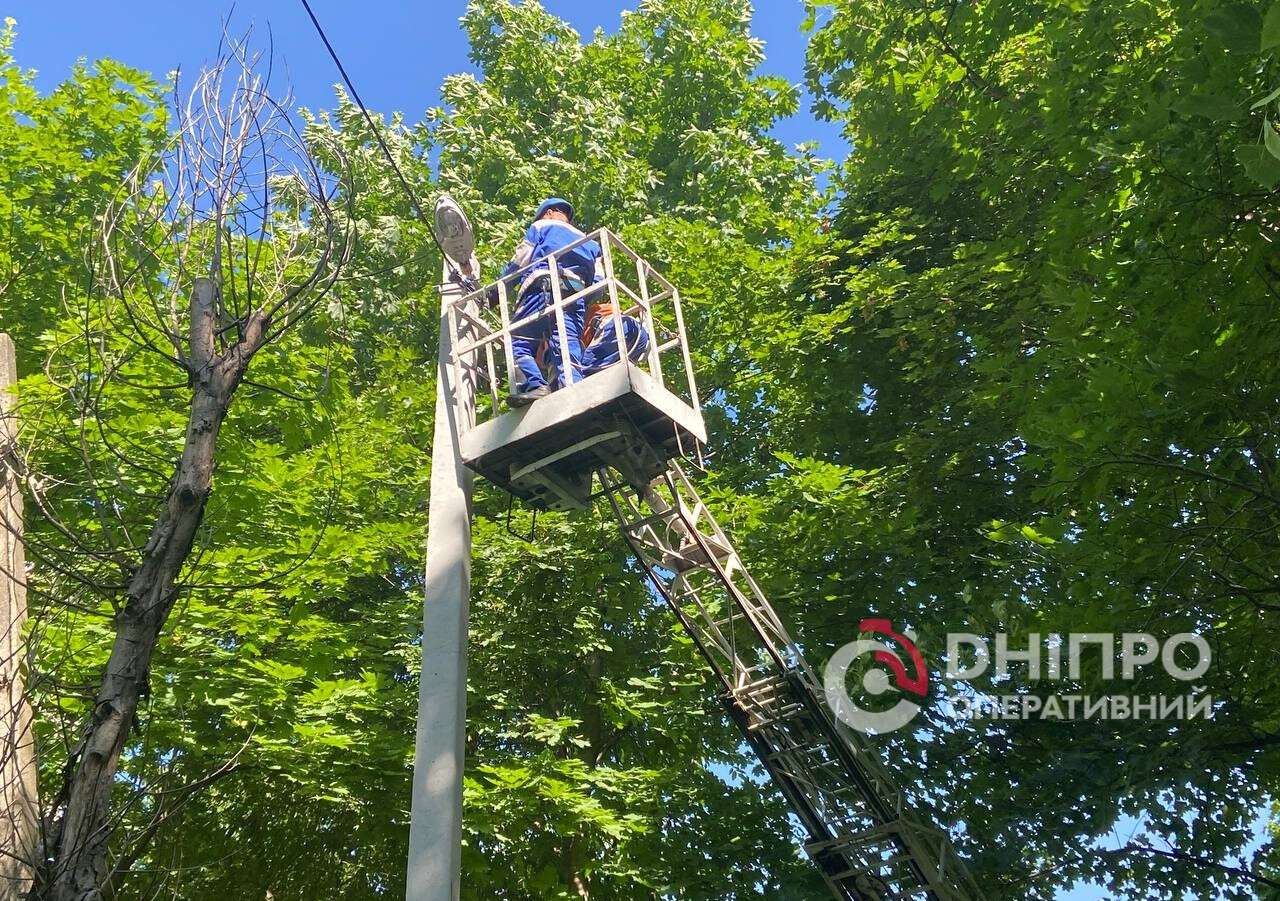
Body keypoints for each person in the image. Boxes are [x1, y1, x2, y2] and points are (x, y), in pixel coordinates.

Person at [497, 197, 602, 406]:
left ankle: (535, 385)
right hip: (575, 296)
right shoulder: (590, 242)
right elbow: (599, 282)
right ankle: (573, 386)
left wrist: (496, 290)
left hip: (542, 288)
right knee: (567, 342)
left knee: (518, 341)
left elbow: (520, 260)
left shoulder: (541, 226)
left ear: (549, 212)